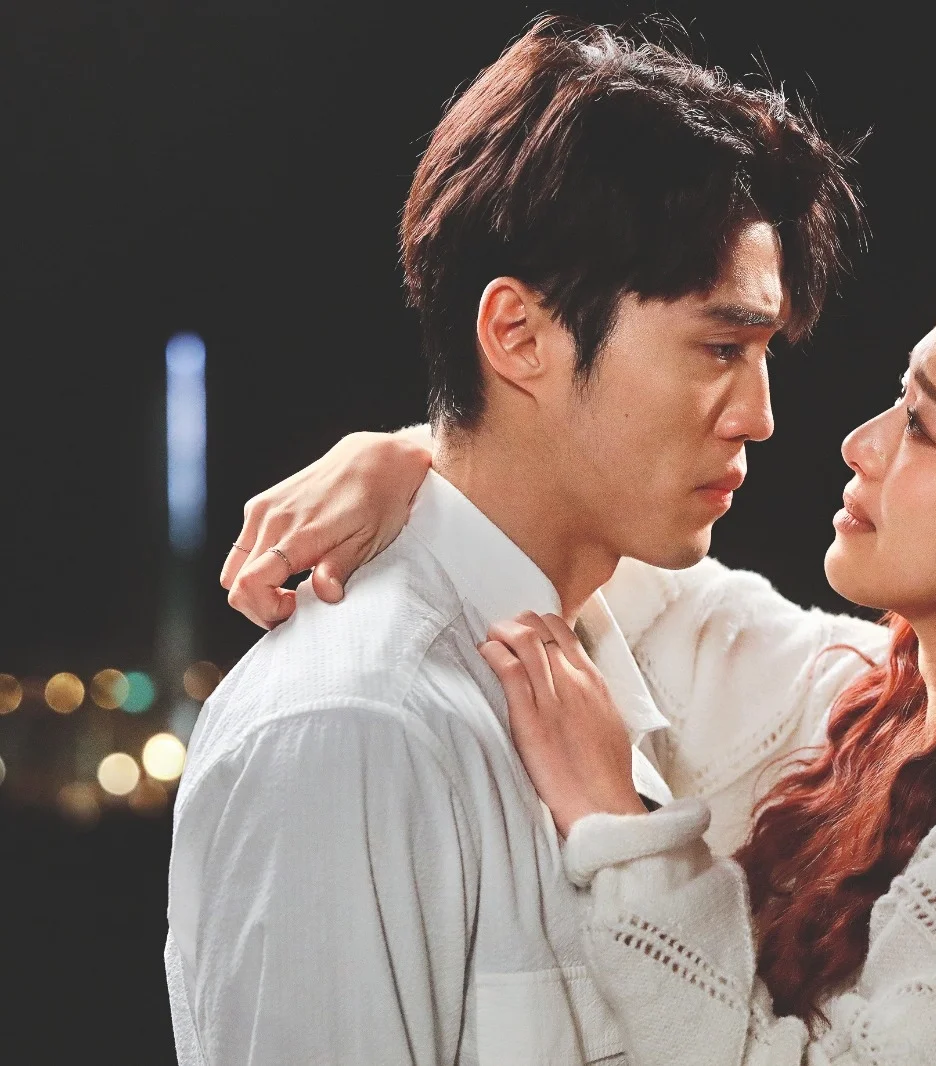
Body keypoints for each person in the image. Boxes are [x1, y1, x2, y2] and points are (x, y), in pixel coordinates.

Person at [228, 243, 936, 1065]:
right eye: (897, 401)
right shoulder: (869, 713)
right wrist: (410, 460)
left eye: (921, 426)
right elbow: (602, 553)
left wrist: (622, 834)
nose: (859, 443)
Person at [166, 18, 863, 1065]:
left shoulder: (623, 644)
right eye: (721, 346)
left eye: (764, 352)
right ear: (518, 336)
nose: (759, 416)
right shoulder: (356, 725)